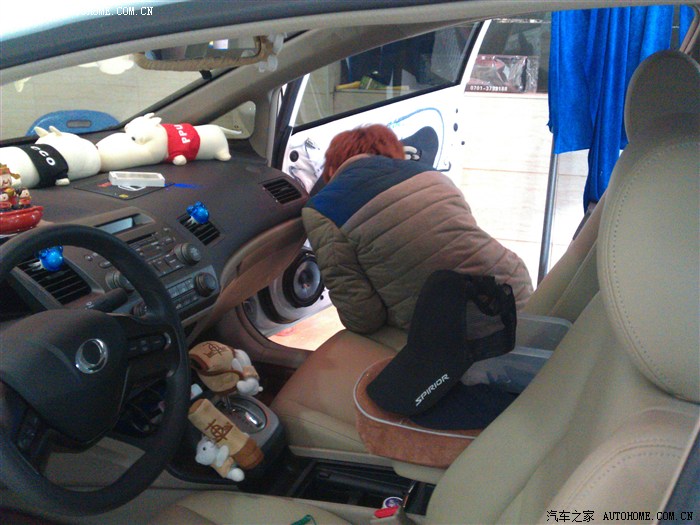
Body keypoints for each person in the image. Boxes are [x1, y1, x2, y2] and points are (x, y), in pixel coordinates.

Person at [302, 124, 533, 334]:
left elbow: (363, 317)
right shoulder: (432, 175)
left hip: (457, 329)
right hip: (517, 293)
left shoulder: (321, 210)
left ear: (332, 166)